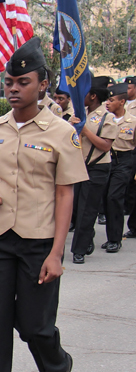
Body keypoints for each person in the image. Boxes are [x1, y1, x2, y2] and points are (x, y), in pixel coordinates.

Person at [0, 37, 87, 372]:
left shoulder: (61, 133)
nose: (14, 89)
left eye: (23, 81)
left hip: (39, 243)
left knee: (36, 327)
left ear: (42, 84)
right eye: (9, 82)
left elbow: (65, 193)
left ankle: (57, 366)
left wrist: (57, 254)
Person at [68, 76, 117, 264]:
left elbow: (105, 145)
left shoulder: (107, 117)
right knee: (77, 208)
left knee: (87, 210)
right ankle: (86, 237)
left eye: (85, 94)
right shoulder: (81, 113)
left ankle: (78, 250)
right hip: (79, 166)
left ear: (94, 96)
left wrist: (85, 130)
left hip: (97, 167)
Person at [100, 83, 136, 253]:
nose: (107, 103)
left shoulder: (133, 122)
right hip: (107, 160)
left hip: (124, 161)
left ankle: (115, 239)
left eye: (111, 100)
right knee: (107, 197)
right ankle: (111, 237)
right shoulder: (104, 120)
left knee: (114, 197)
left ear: (121, 102)